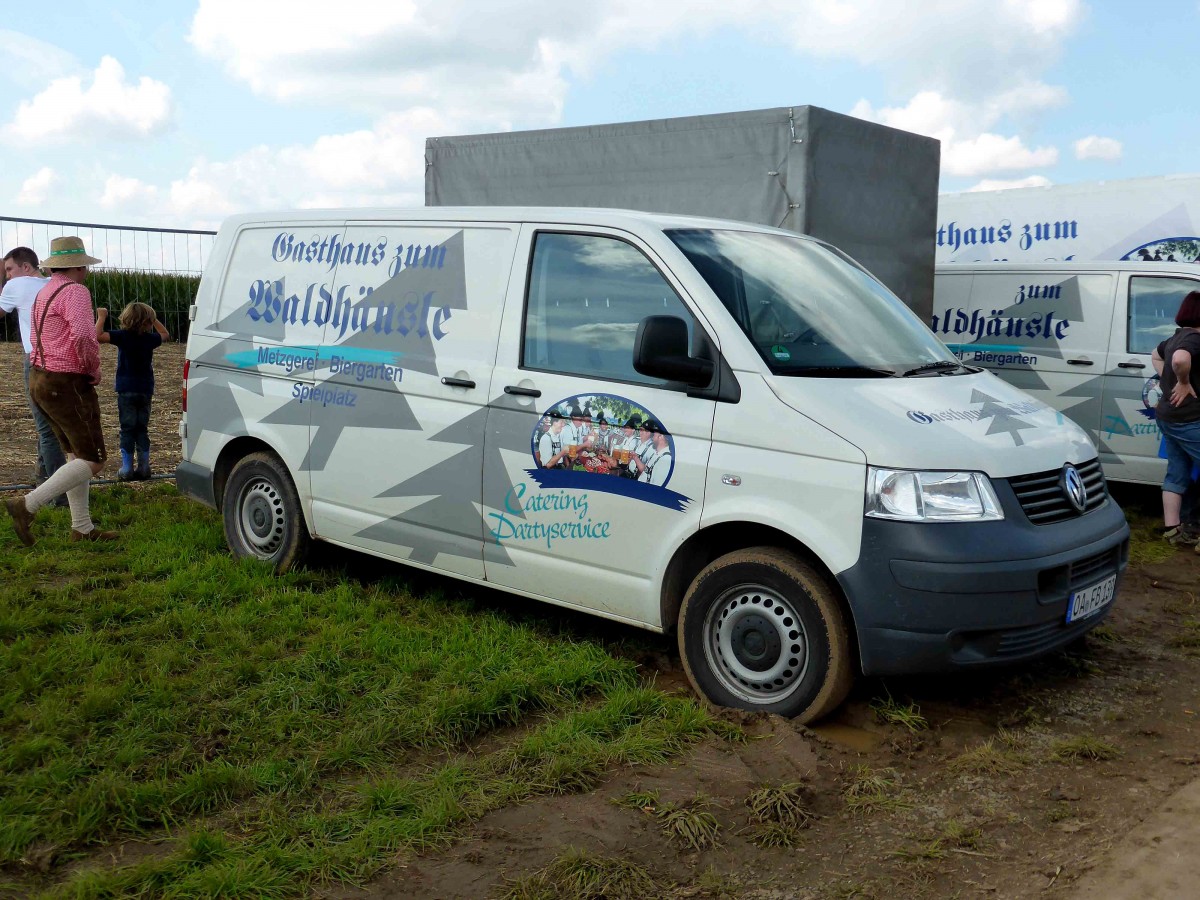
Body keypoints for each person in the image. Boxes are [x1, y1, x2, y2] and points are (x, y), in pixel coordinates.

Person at [4, 236, 116, 545]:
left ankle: (81, 527)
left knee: (74, 455)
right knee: (94, 461)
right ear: (79, 266)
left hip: (40, 378)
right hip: (67, 382)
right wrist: (92, 369)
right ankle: (27, 505)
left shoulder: (46, 291)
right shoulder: (76, 291)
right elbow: (82, 335)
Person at [1, 247, 66, 499]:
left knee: (45, 428)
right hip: (61, 359)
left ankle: (57, 494)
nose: (8, 276)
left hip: (37, 359)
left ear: (26, 267)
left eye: (10, 270)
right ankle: (43, 478)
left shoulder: (17, 286)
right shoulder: (54, 283)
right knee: (55, 422)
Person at [96, 302, 169, 480]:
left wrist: (102, 317)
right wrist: (154, 318)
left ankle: (127, 469)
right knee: (142, 429)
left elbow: (97, 336)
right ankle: (144, 468)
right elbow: (165, 334)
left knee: (127, 429)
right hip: (145, 390)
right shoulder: (149, 339)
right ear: (148, 321)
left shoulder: (122, 336)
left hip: (126, 390)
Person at [1151, 290, 1200, 552]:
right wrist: (1181, 382)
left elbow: (1156, 355)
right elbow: (1181, 359)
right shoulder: (1194, 338)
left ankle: (1173, 530)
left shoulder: (1176, 337)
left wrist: (1165, 379)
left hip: (1169, 418)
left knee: (1177, 472)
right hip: (1189, 418)